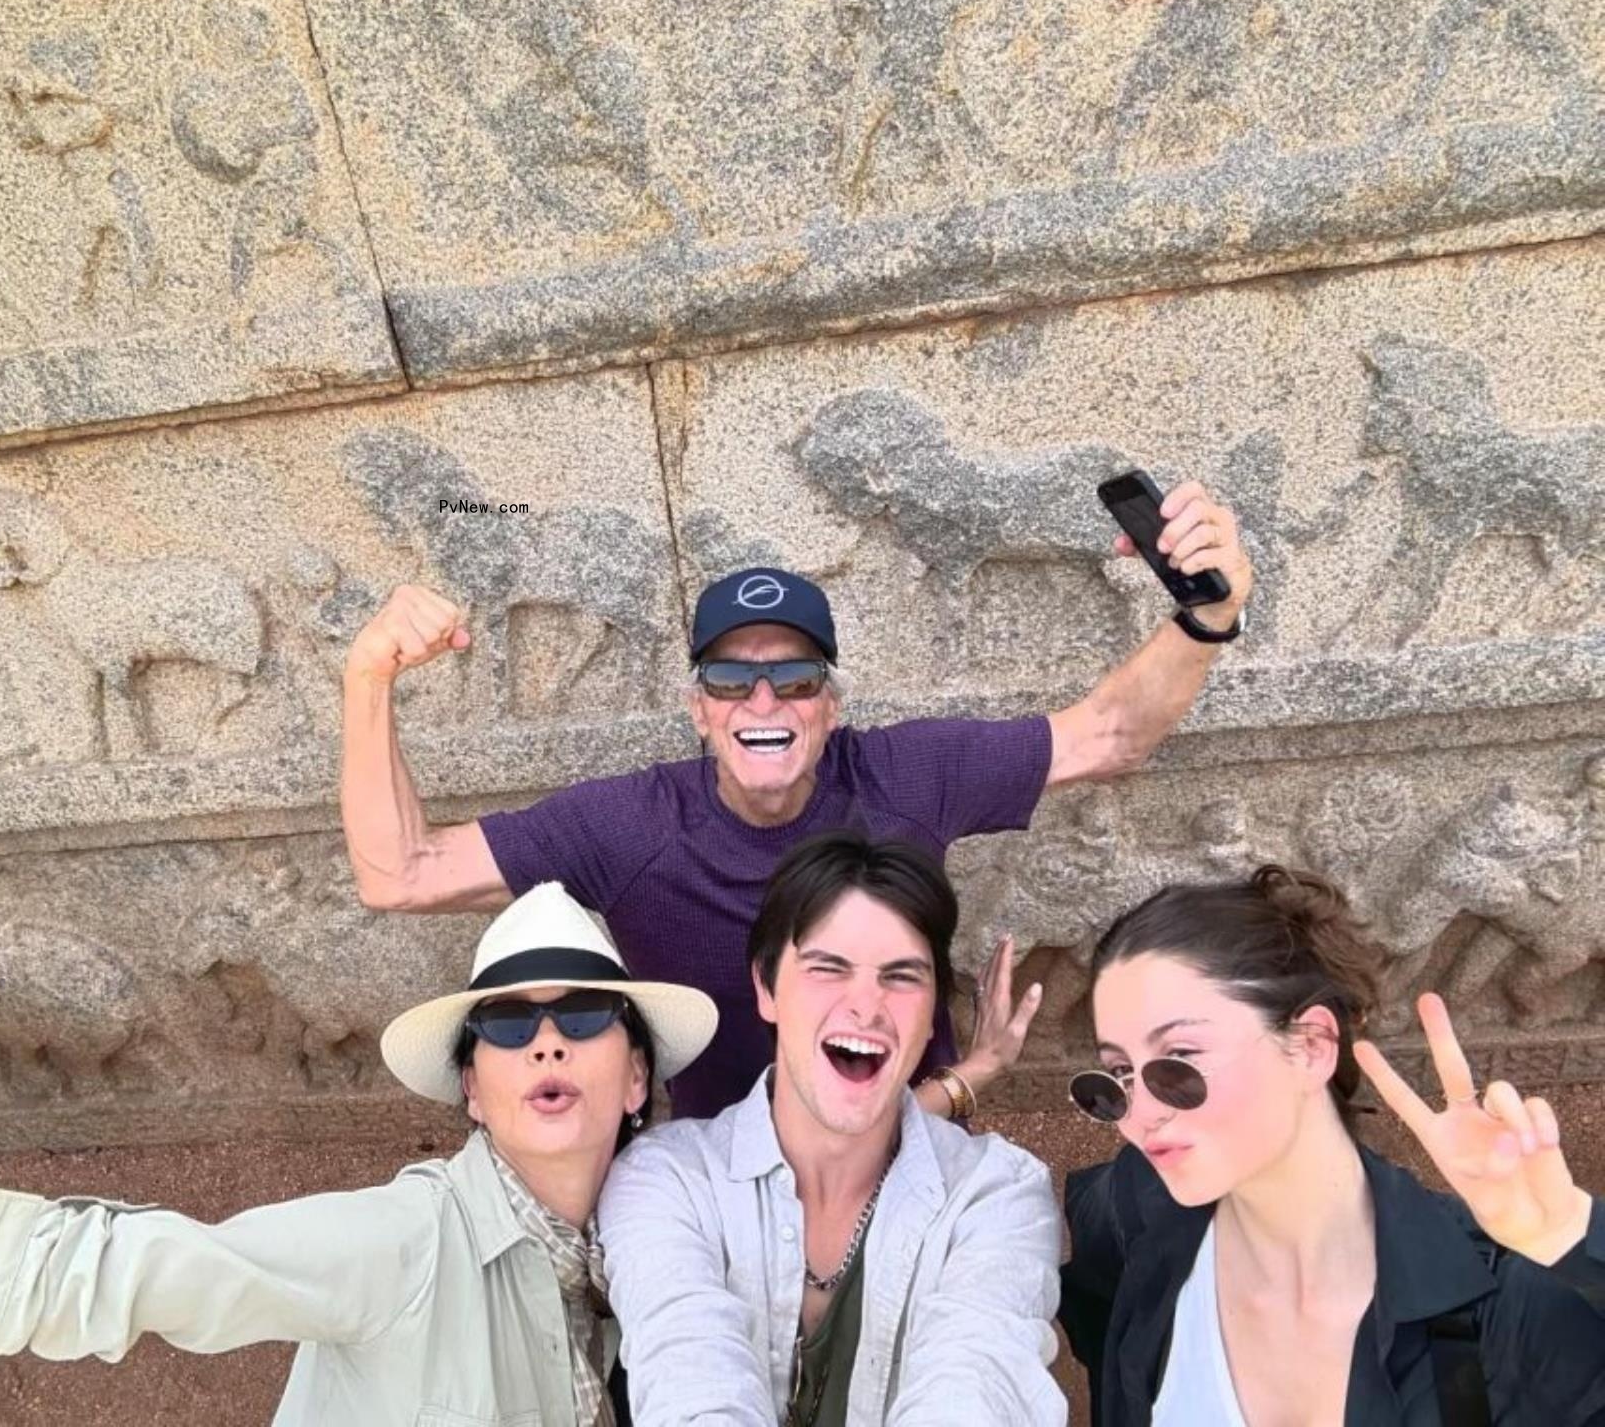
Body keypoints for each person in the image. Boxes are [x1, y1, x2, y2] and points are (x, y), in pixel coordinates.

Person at [341, 483, 1255, 1119]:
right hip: (720, 1170)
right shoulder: (630, 825)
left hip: (909, 1131)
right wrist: (368, 673)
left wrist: (1206, 615)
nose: (764, 702)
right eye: (733, 681)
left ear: (833, 704)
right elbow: (401, 873)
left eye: (795, 676)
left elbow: (1108, 736)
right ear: (699, 710)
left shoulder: (906, 775)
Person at [0, 883, 718, 1427]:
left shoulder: (662, 1240)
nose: (545, 1041)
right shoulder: (406, 1242)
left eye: (583, 1016)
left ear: (636, 1080)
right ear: (473, 1095)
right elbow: (136, 1269)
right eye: (505, 1026)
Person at [1058, 864, 1605, 1426]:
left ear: (1312, 1046)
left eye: (1180, 1059)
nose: (1140, 1114)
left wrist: (1570, 1238)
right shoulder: (1126, 1214)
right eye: (1118, 1073)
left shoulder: (1500, 1305)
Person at [599, 830, 1066, 1426]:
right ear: (766, 989)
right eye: (827, 968)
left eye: (901, 977)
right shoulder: (669, 1181)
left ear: (931, 1018)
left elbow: (977, 1384)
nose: (866, 1006)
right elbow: (689, 1378)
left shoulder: (997, 1195)